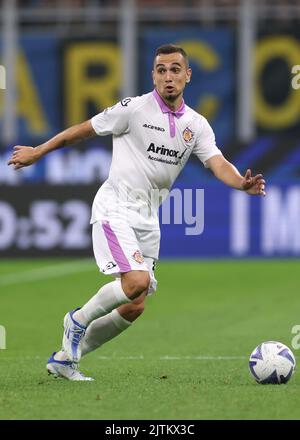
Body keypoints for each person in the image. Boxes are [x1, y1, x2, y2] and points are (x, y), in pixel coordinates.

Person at [8, 44, 266, 381]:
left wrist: (240, 184)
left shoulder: (196, 124)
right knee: (137, 281)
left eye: (175, 69)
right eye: (161, 70)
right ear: (153, 76)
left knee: (135, 303)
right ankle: (77, 320)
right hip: (115, 208)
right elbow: (82, 130)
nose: (168, 76)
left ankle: (66, 359)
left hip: (148, 218)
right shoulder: (133, 109)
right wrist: (38, 152)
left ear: (188, 75)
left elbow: (217, 163)